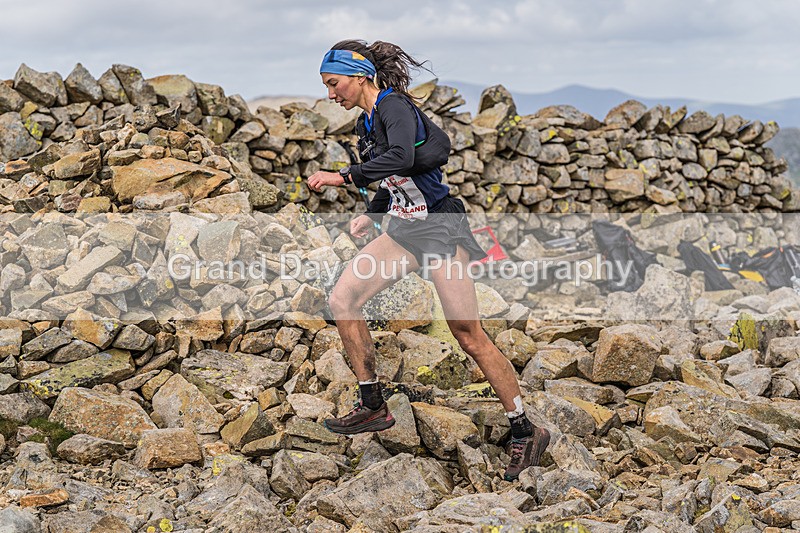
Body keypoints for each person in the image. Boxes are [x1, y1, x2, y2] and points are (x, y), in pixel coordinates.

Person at [308, 39, 550, 481]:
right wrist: (372, 214)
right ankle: (372, 405)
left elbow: (401, 156)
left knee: (468, 334)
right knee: (343, 299)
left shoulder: (393, 106)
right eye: (326, 86)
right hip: (403, 229)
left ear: (360, 75)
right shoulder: (366, 121)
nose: (330, 94)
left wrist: (341, 176)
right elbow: (394, 174)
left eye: (334, 83)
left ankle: (525, 429)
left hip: (439, 228)